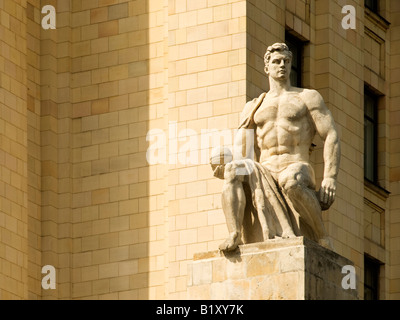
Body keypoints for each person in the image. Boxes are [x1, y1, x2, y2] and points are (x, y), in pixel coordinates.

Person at [211, 43, 341, 251]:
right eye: (277, 62)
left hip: (297, 165)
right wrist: (222, 159)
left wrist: (330, 177)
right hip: (265, 169)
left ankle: (321, 235)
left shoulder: (307, 97)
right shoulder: (254, 106)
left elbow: (331, 134)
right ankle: (234, 233)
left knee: (290, 181)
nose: (282, 66)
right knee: (232, 170)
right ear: (267, 67)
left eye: (287, 62)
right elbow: (240, 149)